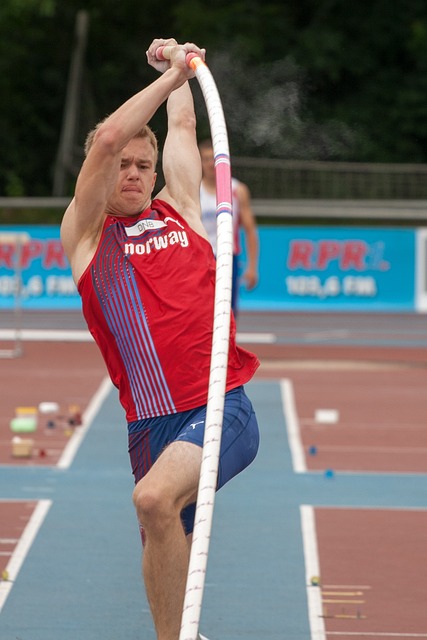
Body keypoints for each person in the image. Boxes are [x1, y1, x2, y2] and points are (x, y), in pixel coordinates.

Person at [60, 38, 260, 640]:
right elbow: (108, 141)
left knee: (151, 501)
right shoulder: (87, 239)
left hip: (221, 405)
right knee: (163, 528)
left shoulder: (182, 213)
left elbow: (182, 123)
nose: (133, 173)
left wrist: (184, 68)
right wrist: (170, 76)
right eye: (124, 166)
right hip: (149, 424)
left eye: (144, 166)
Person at [199, 138, 259, 317]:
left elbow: (250, 230)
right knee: (200, 309)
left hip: (227, 257)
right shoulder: (194, 189)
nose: (211, 163)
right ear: (200, 161)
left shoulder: (237, 190)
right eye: (207, 159)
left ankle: (227, 345)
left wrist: (252, 267)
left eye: (214, 158)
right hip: (201, 257)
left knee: (228, 312)